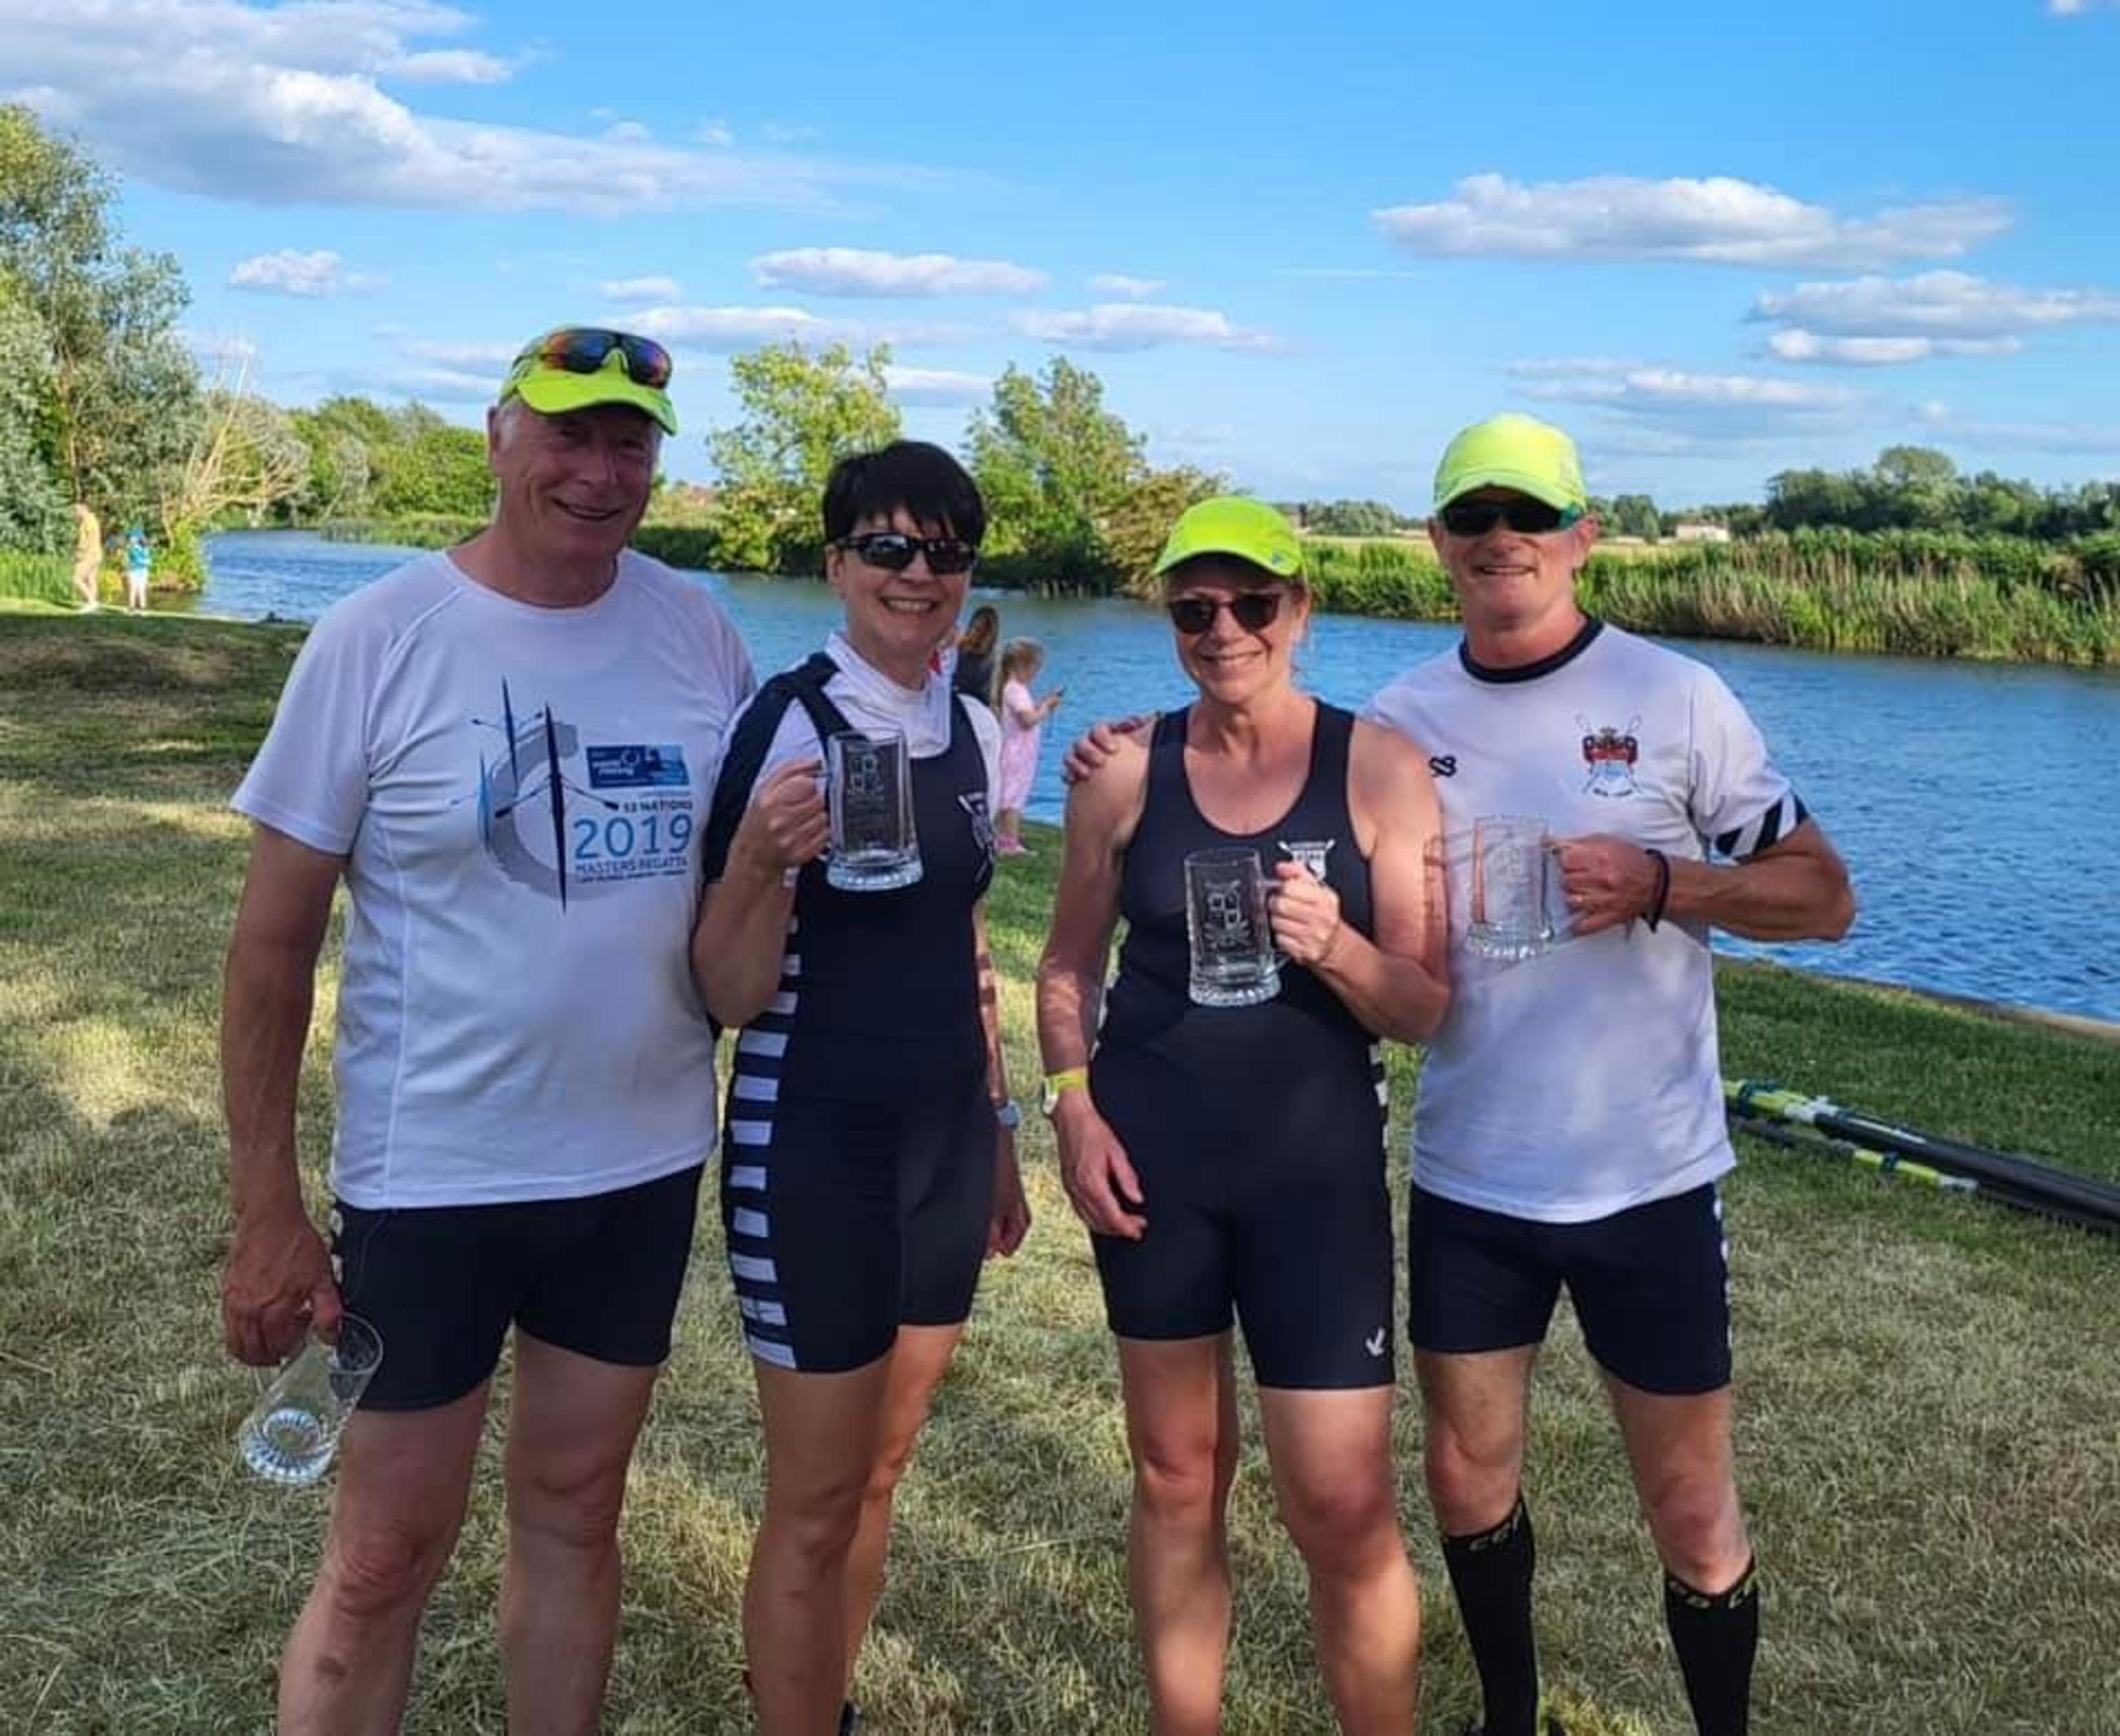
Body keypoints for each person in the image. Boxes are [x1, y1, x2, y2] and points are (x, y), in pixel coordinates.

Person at [219, 326, 755, 1734]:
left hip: (637, 1166)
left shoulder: (696, 628)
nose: (597, 471)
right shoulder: (379, 639)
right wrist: (266, 1206)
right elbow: (272, 953)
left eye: (628, 441)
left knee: (577, 1512)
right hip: (436, 1176)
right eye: (567, 434)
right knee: (387, 1554)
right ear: (498, 438)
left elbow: (766, 867)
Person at [1365, 414, 1856, 1736]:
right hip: (1473, 1177)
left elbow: (1824, 899)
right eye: (1471, 517)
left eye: (1528, 514)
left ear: (1582, 537)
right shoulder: (1397, 721)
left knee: (1692, 1509)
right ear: (1435, 545)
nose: (1499, 540)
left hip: (1646, 1177)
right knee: (1465, 1480)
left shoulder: (1674, 698)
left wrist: (1662, 882)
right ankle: (1509, 1720)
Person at [1037, 496, 1450, 1735]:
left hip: (1312, 1182)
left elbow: (1422, 1007)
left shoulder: (1375, 765)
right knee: (1174, 1480)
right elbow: (1066, 966)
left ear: (1301, 612)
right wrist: (1070, 1107)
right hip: (1152, 1170)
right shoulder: (1123, 772)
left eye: (1252, 603)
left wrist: (1335, 946)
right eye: (1195, 608)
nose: (1225, 629)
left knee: (1340, 1505)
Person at [692, 439, 1031, 1736]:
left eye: (944, 553)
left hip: (943, 1143)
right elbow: (720, 988)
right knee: (815, 1497)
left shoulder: (962, 720)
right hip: (814, 1142)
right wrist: (759, 869)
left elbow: (964, 942)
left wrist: (997, 1130)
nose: (917, 575)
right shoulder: (789, 715)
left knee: (881, 1471)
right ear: (836, 565)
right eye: (887, 548)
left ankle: (819, 1701)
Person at [994, 637, 1062, 856]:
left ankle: (1004, 838)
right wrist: (1048, 709)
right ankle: (1010, 843)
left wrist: (1041, 704)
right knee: (1014, 797)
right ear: (1023, 666)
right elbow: (1028, 721)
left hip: (1014, 750)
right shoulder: (1017, 690)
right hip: (1018, 753)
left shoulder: (1010, 688)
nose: (1036, 675)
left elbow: (1025, 713)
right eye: (1035, 669)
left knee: (1008, 793)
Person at [950, 602, 1001, 709]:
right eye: (974, 627)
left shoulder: (991, 657)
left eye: (978, 629)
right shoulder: (961, 646)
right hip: (959, 700)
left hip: (975, 706)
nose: (973, 632)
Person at [71, 502, 101, 610]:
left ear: (83, 510)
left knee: (76, 579)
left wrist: (81, 553)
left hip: (89, 555)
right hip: (96, 554)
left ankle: (91, 601)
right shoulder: (92, 520)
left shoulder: (88, 521)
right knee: (91, 579)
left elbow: (89, 540)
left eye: (76, 512)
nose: (75, 515)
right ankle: (92, 603)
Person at [124, 527, 151, 612]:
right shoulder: (131, 547)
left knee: (141, 590)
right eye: (130, 537)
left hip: (141, 571)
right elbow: (141, 560)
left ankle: (142, 608)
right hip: (134, 571)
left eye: (132, 537)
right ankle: (132, 608)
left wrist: (144, 561)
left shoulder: (144, 548)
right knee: (133, 589)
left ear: (138, 538)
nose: (130, 538)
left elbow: (147, 560)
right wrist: (144, 561)